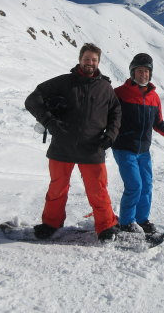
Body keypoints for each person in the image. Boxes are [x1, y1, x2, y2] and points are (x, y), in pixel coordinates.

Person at [24, 43, 122, 242]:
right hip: (62, 145)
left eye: (94, 60)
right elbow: (32, 99)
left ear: (98, 62)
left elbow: (116, 113)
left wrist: (111, 135)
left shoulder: (105, 87)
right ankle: (50, 224)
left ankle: (106, 226)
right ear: (80, 59)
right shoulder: (63, 82)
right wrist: (49, 121)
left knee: (98, 190)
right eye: (87, 59)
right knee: (57, 188)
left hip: (92, 148)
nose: (90, 63)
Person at [112, 53, 164, 235]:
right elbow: (108, 118)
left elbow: (158, 122)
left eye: (146, 71)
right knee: (134, 186)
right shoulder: (119, 93)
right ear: (132, 72)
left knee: (146, 186)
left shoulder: (154, 97)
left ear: (150, 74)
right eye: (139, 71)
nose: (143, 75)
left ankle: (141, 220)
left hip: (143, 151)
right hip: (124, 148)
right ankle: (126, 223)